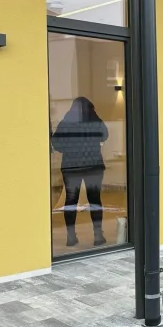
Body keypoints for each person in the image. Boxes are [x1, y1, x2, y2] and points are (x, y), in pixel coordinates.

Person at [51, 97, 109, 247]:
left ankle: (71, 237)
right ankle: (98, 236)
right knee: (95, 200)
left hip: (72, 167)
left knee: (70, 201)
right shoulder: (96, 121)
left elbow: (57, 145)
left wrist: (71, 149)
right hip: (93, 166)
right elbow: (105, 136)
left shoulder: (65, 124)